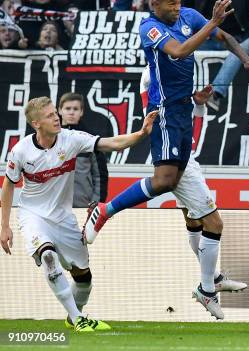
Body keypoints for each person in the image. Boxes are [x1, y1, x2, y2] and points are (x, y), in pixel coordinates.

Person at [83, 0, 249, 318]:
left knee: (204, 220)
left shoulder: (188, 16)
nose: (179, 9)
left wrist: (245, 58)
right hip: (164, 114)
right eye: (172, 5)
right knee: (165, 181)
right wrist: (210, 23)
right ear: (156, 4)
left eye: (180, 4)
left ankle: (209, 283)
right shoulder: (150, 28)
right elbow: (178, 52)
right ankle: (105, 210)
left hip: (182, 113)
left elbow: (222, 37)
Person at [0, 96, 158, 332]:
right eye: (50, 116)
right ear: (36, 123)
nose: (57, 118)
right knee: (48, 257)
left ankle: (75, 314)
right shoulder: (21, 151)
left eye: (56, 113)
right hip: (33, 215)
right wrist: (4, 226)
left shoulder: (71, 140)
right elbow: (8, 185)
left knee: (84, 278)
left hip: (63, 218)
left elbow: (112, 143)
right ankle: (77, 318)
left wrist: (142, 133)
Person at [139, 67, 247, 320]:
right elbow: (159, 111)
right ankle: (207, 288)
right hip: (174, 157)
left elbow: (185, 111)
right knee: (214, 222)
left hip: (182, 153)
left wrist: (196, 101)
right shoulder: (155, 72)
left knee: (193, 219)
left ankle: (213, 279)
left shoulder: (176, 69)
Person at [59, 92, 109, 205]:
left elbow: (100, 175)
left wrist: (96, 203)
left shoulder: (91, 139)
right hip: (55, 206)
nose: (71, 112)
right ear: (60, 110)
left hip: (82, 205)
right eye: (67, 108)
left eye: (75, 109)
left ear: (81, 112)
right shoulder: (52, 139)